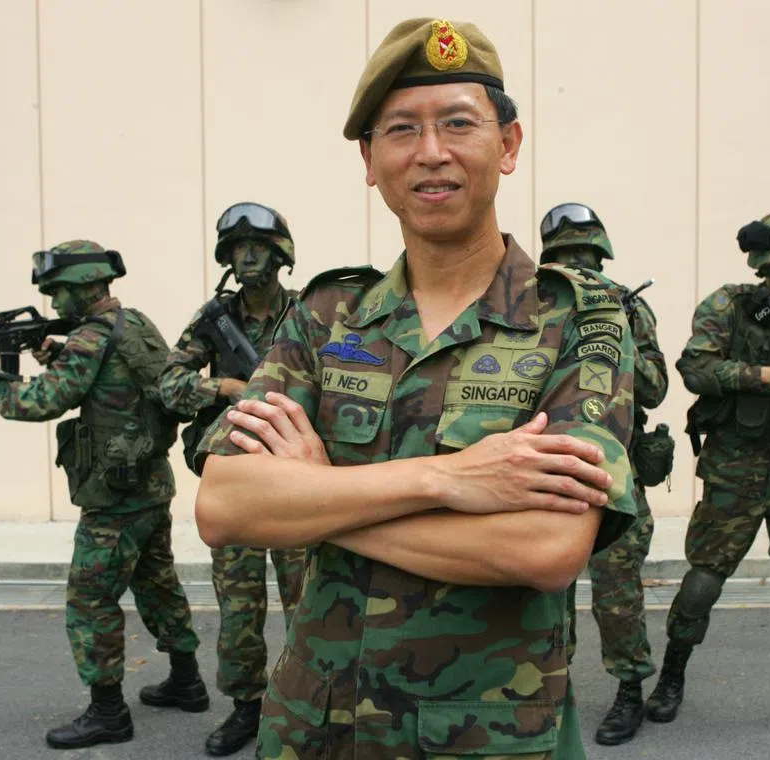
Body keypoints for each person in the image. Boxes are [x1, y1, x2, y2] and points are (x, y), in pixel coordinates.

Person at [192, 18, 638, 760]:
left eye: (458, 123)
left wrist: (316, 501)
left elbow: (545, 546)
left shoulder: (578, 318)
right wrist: (450, 478)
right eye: (401, 129)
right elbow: (226, 503)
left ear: (509, 145)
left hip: (485, 732)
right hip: (315, 724)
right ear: (370, 161)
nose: (431, 151)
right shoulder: (328, 314)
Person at [0, 240, 206, 750]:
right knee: (157, 583)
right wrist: (58, 355)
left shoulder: (89, 338)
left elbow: (38, 402)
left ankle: (108, 713)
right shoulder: (133, 323)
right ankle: (187, 682)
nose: (54, 303)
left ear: (87, 285)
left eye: (60, 291)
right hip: (150, 484)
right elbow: (122, 384)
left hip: (113, 497)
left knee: (90, 600)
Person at [645, 211, 770, 741]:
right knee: (704, 580)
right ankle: (671, 679)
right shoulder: (730, 308)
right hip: (735, 468)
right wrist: (768, 376)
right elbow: (695, 369)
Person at [154, 202, 306, 756]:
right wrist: (223, 388)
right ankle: (247, 707)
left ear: (279, 255)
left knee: (308, 603)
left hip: (297, 481)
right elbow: (167, 384)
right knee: (239, 606)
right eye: (238, 249)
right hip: (237, 478)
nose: (246, 257)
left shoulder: (306, 314)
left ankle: (310, 705)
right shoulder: (214, 319)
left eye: (257, 247)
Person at [539, 203, 670, 746]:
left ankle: (629, 690)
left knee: (617, 593)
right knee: (546, 593)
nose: (579, 269)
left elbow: (656, 388)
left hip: (615, 474)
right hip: (549, 470)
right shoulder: (533, 306)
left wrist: (618, 334)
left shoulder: (629, 309)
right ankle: (550, 691)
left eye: (586, 258)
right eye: (568, 259)